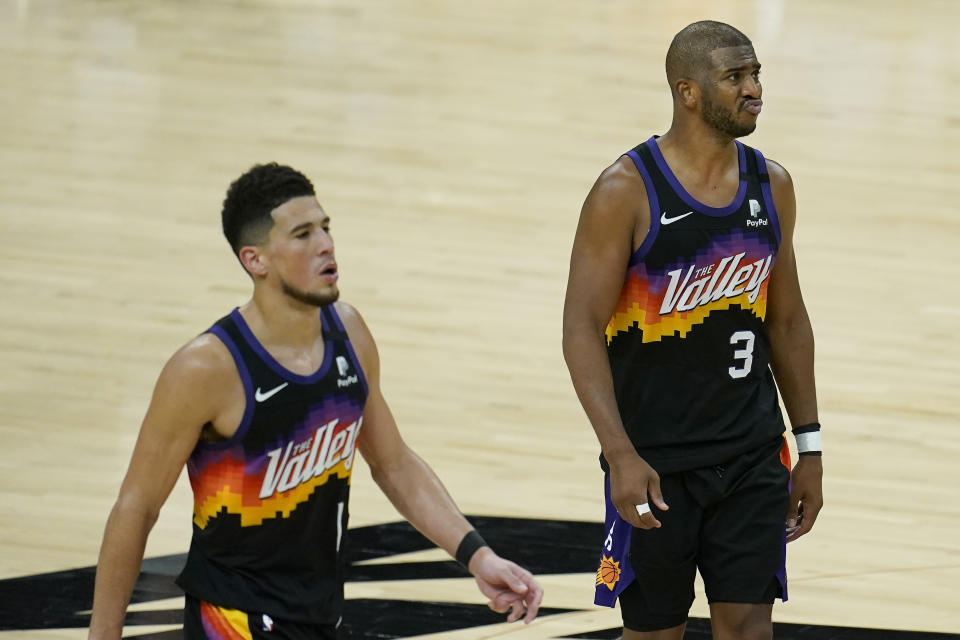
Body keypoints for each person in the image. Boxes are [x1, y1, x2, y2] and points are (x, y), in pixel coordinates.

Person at [88, 163, 543, 639]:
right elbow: (135, 508)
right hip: (232, 620)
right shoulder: (206, 369)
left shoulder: (349, 333)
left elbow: (394, 463)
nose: (326, 245)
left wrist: (477, 555)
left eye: (325, 228)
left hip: (320, 613)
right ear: (255, 260)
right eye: (303, 234)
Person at [562, 20, 823, 640]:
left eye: (756, 74)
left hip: (752, 452)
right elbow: (579, 329)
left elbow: (786, 320)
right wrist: (620, 456)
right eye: (736, 77)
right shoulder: (625, 190)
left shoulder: (772, 185)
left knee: (748, 630)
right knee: (654, 633)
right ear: (687, 91)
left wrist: (808, 446)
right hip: (657, 462)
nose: (754, 89)